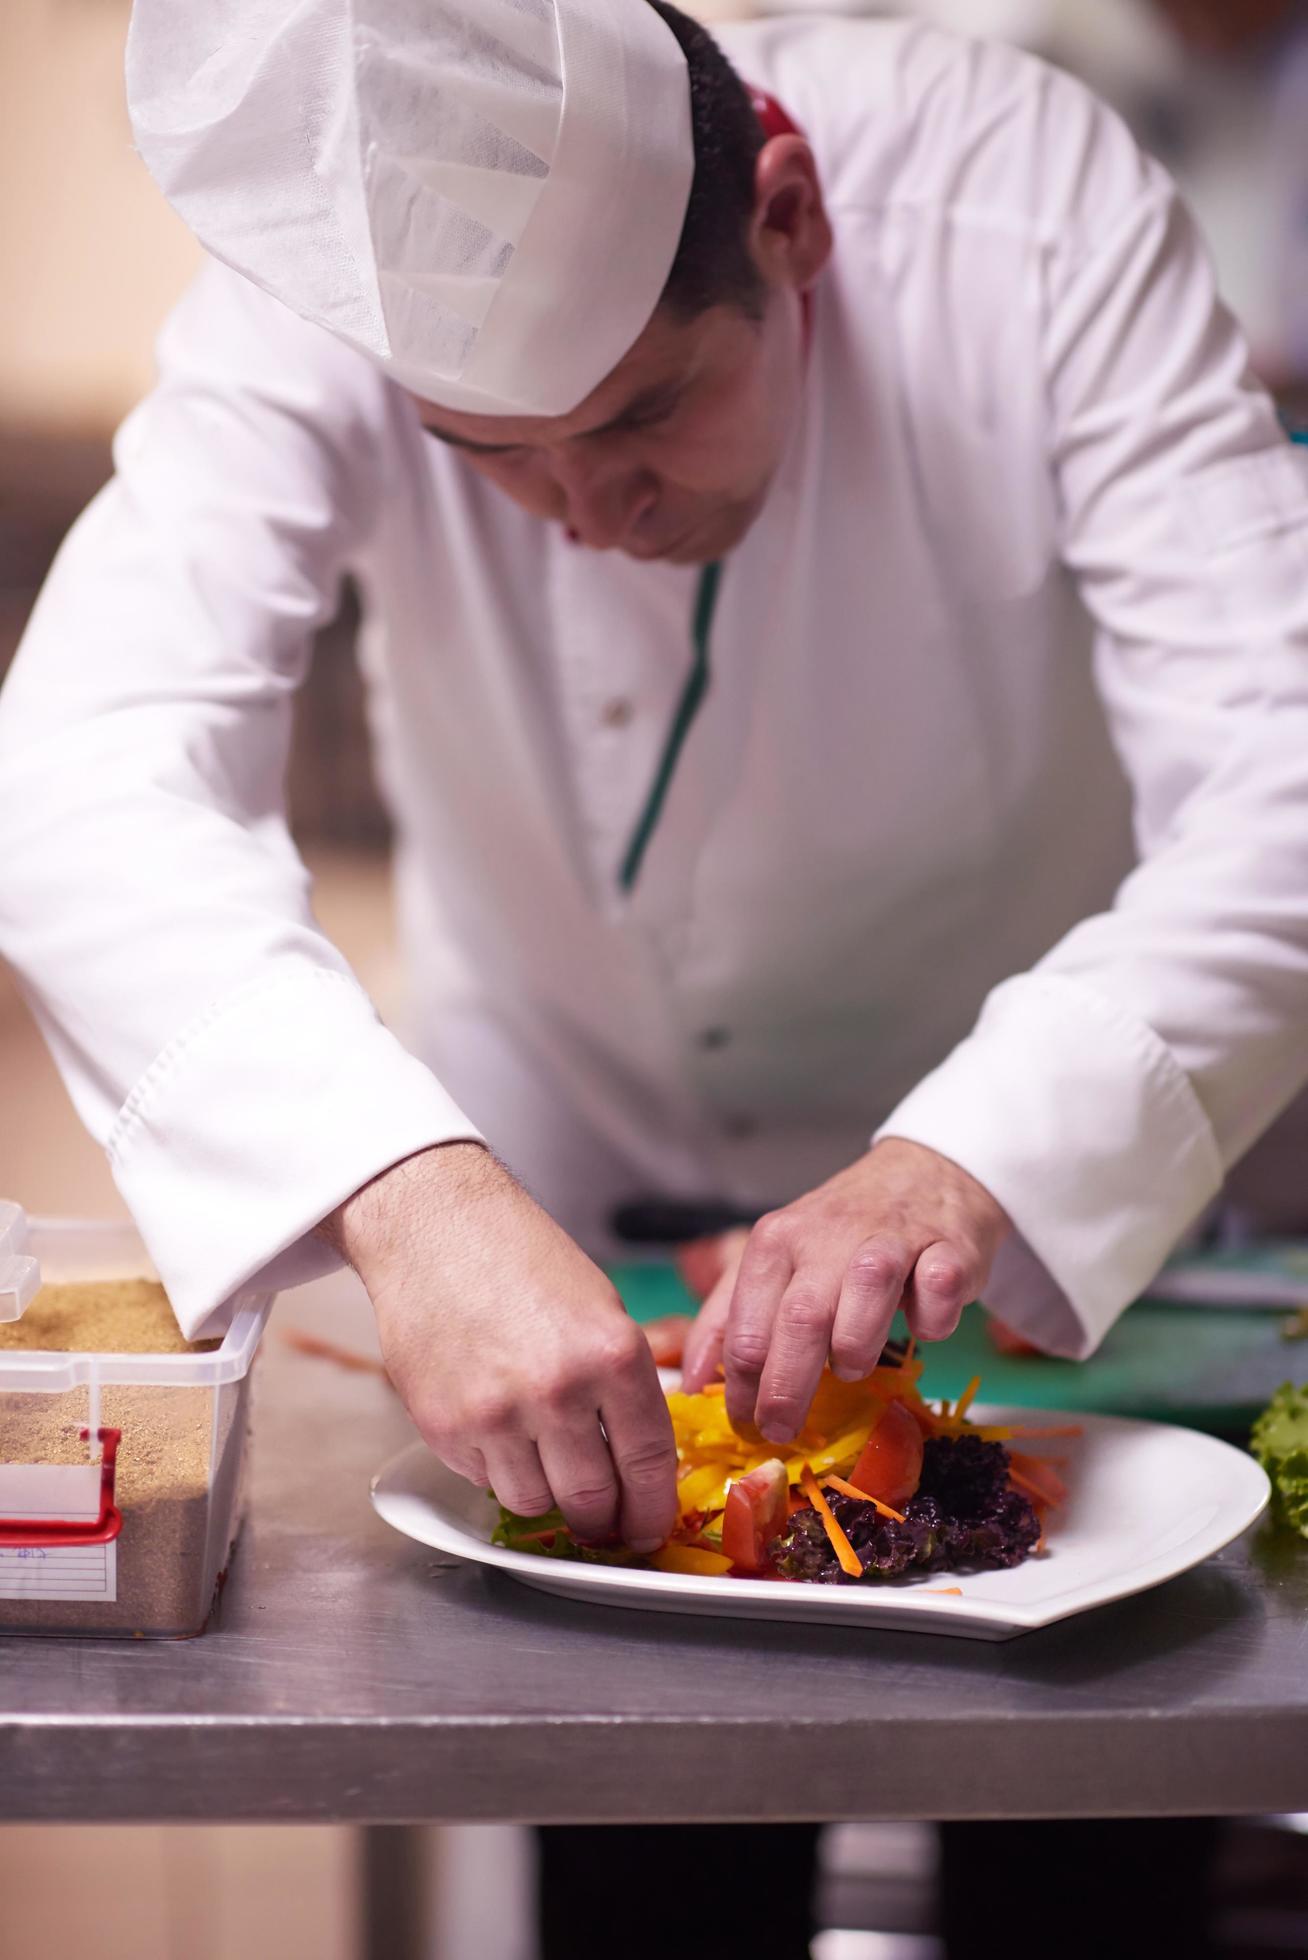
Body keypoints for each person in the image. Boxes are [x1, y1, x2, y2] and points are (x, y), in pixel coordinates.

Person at [2, 2, 1307, 1949]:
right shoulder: (325, 299)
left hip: (1043, 1236)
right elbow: (83, 763)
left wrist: (964, 1160)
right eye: (490, 461)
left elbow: (1283, 769)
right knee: (644, 1847)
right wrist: (411, 1194)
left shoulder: (1022, 198)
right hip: (560, 1214)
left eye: (638, 419)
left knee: (1081, 1847)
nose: (586, 519)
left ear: (790, 222)